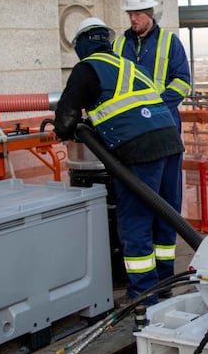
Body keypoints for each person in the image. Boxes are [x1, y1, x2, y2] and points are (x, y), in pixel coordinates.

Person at [54, 17, 184, 303]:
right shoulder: (129, 65)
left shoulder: (86, 69)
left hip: (139, 150)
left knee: (135, 220)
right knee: (165, 214)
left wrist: (67, 129)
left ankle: (143, 294)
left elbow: (66, 117)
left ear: (81, 45)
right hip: (171, 141)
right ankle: (165, 283)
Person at [113, 0, 191, 134]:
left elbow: (182, 83)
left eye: (137, 13)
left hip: (163, 122)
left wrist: (155, 108)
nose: (133, 18)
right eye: (130, 13)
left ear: (149, 13)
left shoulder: (169, 42)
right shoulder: (119, 44)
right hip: (130, 124)